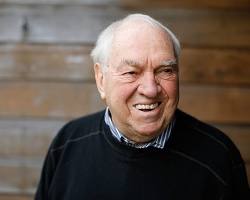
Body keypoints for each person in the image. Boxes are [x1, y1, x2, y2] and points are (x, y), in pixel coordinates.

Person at [35, 13, 250, 200]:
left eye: (165, 70)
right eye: (131, 72)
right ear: (101, 79)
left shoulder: (218, 157)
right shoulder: (67, 144)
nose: (150, 89)